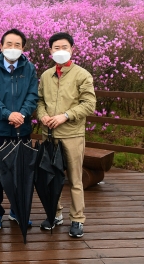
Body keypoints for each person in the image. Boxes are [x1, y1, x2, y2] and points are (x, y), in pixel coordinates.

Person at [37, 32, 96, 238]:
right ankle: (55, 214)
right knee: (51, 178)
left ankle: (78, 219)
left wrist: (66, 116)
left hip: (71, 134)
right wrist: (43, 116)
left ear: (72, 49)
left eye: (64, 47)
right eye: (56, 48)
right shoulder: (46, 75)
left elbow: (89, 105)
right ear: (50, 51)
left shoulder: (82, 75)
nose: (60, 51)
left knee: (74, 179)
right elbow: (40, 101)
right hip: (49, 135)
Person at [0, 29, 39, 230]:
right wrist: (7, 114)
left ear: (23, 48)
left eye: (17, 45)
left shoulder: (29, 68)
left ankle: (17, 209)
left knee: (21, 172)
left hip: (22, 130)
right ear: (1, 46)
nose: (13, 48)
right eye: (9, 44)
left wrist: (22, 113)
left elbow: (33, 95)